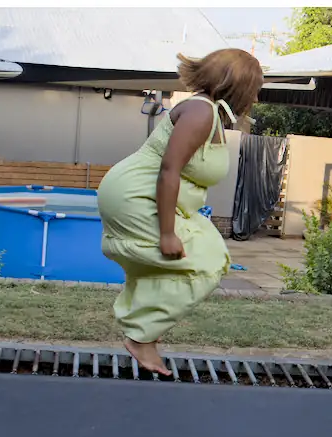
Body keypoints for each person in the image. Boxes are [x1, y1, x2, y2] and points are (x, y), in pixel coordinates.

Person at [96, 49, 264, 376]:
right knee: (200, 262)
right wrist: (167, 233)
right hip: (137, 194)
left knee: (212, 253)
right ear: (238, 86)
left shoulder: (209, 112)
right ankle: (142, 335)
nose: (256, 96)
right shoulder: (200, 114)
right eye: (255, 88)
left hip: (152, 195)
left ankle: (144, 329)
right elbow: (169, 170)